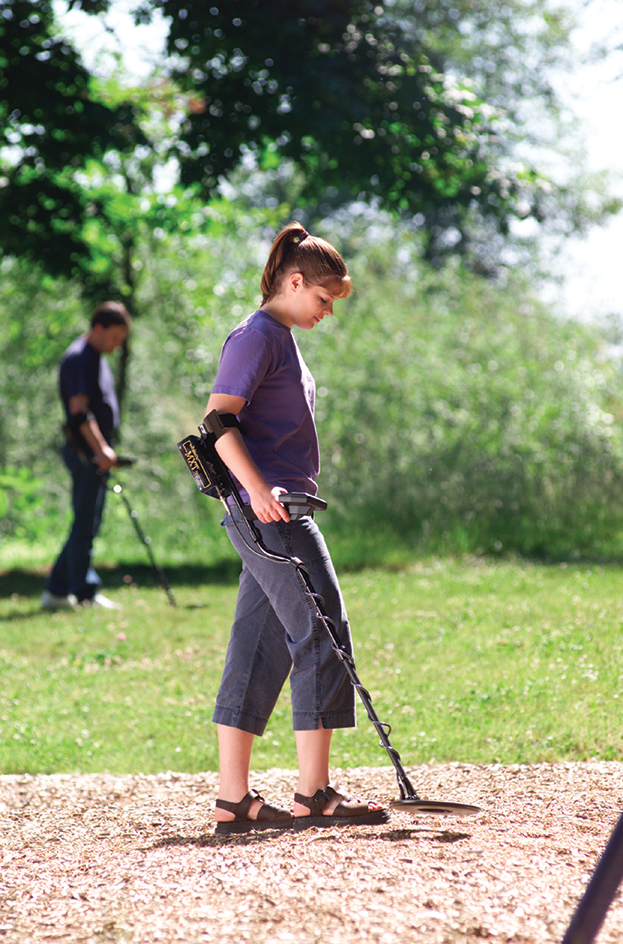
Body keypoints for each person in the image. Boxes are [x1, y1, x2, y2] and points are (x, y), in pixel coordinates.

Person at [203, 222, 389, 833]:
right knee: (324, 632)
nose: (327, 311)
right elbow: (216, 422)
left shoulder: (279, 336)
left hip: (274, 510)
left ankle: (234, 800)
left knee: (257, 646)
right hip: (274, 512)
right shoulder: (257, 336)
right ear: (294, 280)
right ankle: (314, 795)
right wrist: (258, 492)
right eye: (323, 298)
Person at [40, 301, 131, 611]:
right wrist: (101, 450)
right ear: (98, 328)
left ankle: (56, 591)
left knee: (87, 523)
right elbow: (79, 412)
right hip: (85, 454)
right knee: (85, 523)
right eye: (116, 336)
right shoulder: (80, 357)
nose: (118, 344)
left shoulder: (94, 356)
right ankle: (84, 593)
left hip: (92, 454)